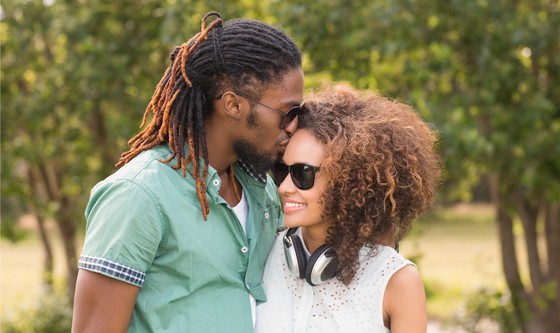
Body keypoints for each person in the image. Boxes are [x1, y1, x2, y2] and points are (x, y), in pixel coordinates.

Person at [72, 11, 304, 332]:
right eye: (288, 111)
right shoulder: (138, 195)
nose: (294, 126)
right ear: (233, 105)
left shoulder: (261, 190)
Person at [255, 84, 442, 333]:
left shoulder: (397, 280)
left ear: (348, 181)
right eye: (282, 171)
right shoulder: (264, 250)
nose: (284, 187)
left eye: (303, 174)